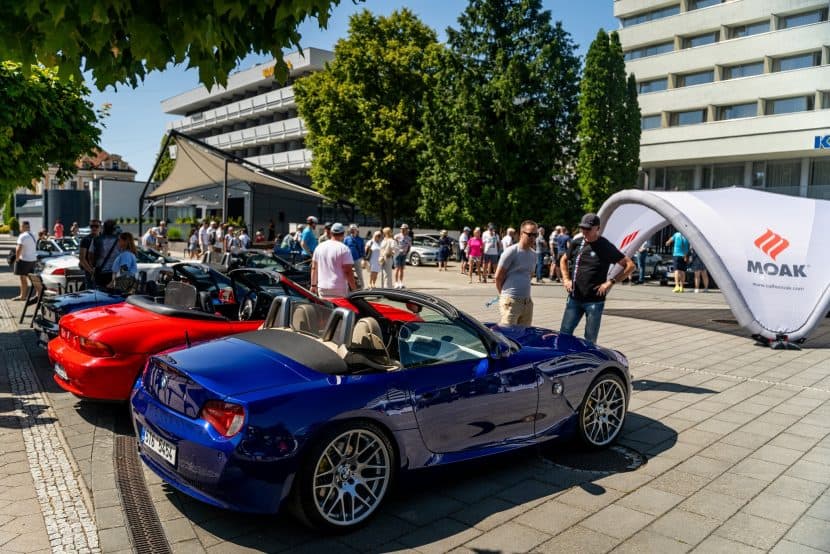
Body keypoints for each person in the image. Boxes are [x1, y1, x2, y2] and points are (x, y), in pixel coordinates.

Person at [560, 213, 635, 344]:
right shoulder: (577, 243)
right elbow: (563, 259)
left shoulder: (605, 246)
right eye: (582, 228)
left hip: (594, 302)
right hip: (574, 298)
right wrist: (566, 279)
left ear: (597, 228)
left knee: (590, 339)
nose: (584, 232)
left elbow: (630, 266)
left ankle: (587, 362)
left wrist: (610, 282)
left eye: (588, 229)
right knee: (564, 333)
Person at [494, 220, 538, 326]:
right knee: (508, 335)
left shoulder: (534, 255)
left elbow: (529, 275)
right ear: (521, 233)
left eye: (535, 235)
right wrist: (504, 296)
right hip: (511, 302)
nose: (533, 237)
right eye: (530, 234)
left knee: (524, 335)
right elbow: (498, 277)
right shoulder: (512, 251)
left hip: (527, 303)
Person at [310, 222, 357, 299]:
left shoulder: (319, 247)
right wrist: (354, 290)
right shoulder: (344, 249)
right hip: (339, 288)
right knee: (340, 310)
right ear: (343, 234)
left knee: (326, 310)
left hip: (322, 287)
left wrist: (313, 285)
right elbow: (348, 271)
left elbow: (314, 268)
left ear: (331, 233)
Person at [89, 219, 121, 289]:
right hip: (115, 273)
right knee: (114, 296)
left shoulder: (96, 239)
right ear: (113, 229)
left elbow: (90, 255)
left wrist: (93, 267)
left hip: (100, 272)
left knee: (100, 295)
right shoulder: (119, 240)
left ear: (104, 228)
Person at [11, 221, 38, 301]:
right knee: (32, 278)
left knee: (23, 278)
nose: (20, 228)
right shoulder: (32, 235)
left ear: (23, 227)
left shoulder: (22, 236)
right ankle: (38, 294)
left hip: (24, 260)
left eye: (20, 226)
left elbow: (19, 248)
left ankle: (23, 296)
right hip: (32, 260)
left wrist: (17, 259)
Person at [78, 219, 101, 289]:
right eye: (92, 226)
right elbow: (82, 258)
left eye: (96, 226)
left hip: (102, 272)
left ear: (100, 227)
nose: (94, 228)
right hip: (90, 272)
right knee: (91, 293)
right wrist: (91, 271)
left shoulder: (104, 238)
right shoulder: (86, 239)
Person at [344, 224, 366, 290]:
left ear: (357, 230)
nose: (352, 231)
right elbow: (344, 248)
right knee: (346, 274)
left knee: (359, 274)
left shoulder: (360, 239)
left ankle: (362, 288)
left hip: (357, 259)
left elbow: (363, 250)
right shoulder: (346, 239)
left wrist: (363, 259)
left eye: (354, 229)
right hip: (347, 259)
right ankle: (347, 287)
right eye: (351, 230)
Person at [393, 223, 412, 289]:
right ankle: (396, 282)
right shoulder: (396, 236)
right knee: (397, 268)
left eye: (404, 229)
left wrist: (406, 253)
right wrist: (397, 250)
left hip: (404, 255)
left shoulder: (409, 238)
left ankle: (401, 282)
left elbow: (409, 247)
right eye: (402, 229)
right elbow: (394, 245)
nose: (403, 230)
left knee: (402, 269)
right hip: (397, 254)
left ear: (407, 230)